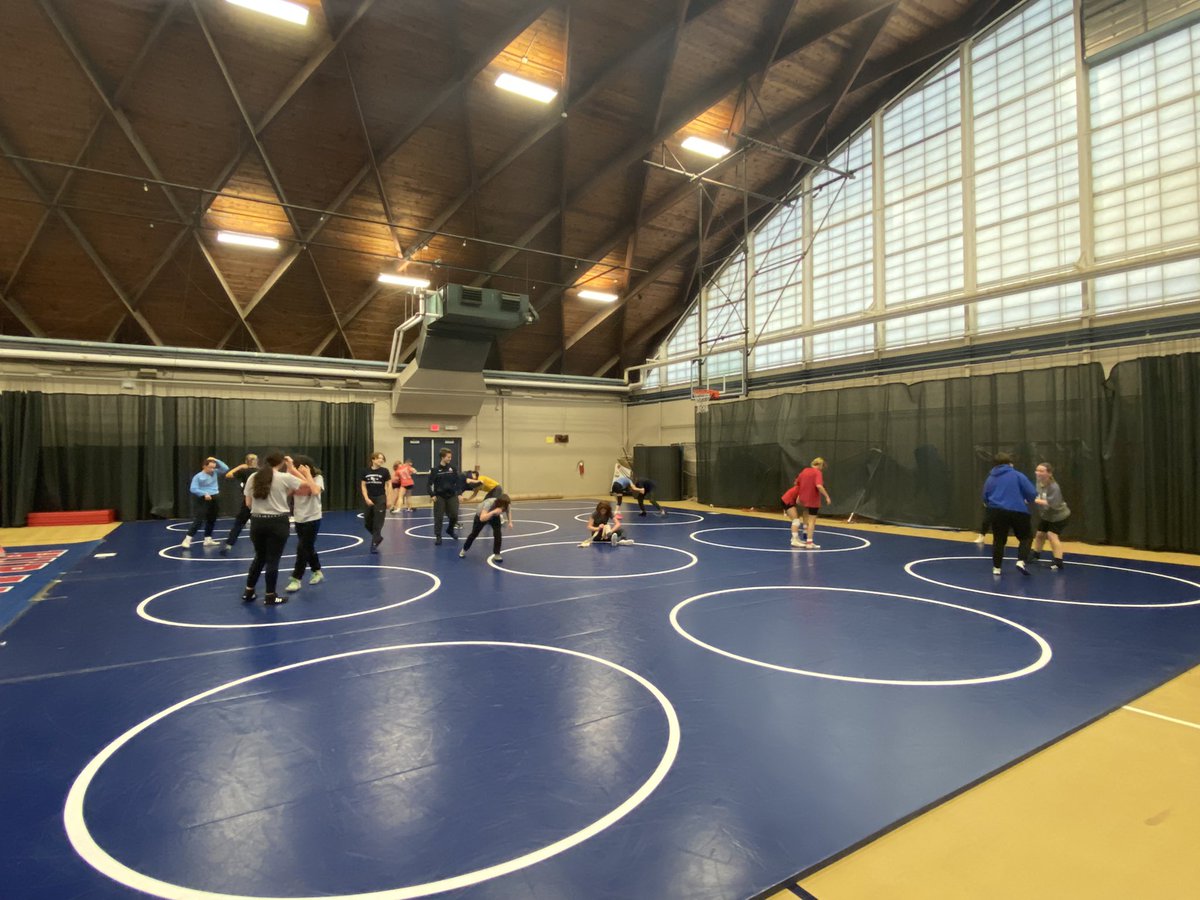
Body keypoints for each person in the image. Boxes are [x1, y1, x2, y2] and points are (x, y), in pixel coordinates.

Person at [242, 453, 315, 605]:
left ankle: (249, 591)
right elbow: (307, 484)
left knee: (259, 557)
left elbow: (248, 503)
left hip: (257, 521)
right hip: (277, 522)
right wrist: (292, 468)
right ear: (281, 463)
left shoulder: (253, 477)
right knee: (272, 560)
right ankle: (270, 595)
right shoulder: (283, 477)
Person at [982, 452, 1037, 576]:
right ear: (1009, 463)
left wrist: (991, 505)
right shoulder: (1017, 475)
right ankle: (1021, 561)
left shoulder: (991, 477)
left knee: (999, 540)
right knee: (1026, 537)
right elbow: (1031, 492)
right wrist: (1028, 499)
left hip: (996, 511)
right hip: (1017, 510)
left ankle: (996, 568)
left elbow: (985, 496)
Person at [286, 455, 325, 592]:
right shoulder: (294, 479)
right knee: (308, 547)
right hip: (299, 518)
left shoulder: (317, 478)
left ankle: (296, 579)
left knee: (302, 548)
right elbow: (287, 492)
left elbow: (314, 490)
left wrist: (307, 474)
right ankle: (317, 570)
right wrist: (291, 473)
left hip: (313, 518)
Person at [183, 456, 229, 548]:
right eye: (210, 467)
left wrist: (216, 460)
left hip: (215, 497)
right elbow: (193, 488)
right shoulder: (198, 476)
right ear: (204, 466)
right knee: (199, 520)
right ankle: (187, 539)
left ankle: (208, 539)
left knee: (212, 519)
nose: (212, 469)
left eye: (213, 467)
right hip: (204, 499)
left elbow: (226, 468)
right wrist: (204, 493)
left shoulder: (215, 472)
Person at [1031, 462, 1070, 569]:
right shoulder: (1038, 482)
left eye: (1041, 471)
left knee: (1052, 535)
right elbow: (1036, 494)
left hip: (1059, 516)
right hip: (1046, 516)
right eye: (1037, 470)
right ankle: (1035, 555)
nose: (1038, 473)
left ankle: (1058, 561)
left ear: (1049, 473)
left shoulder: (1054, 487)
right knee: (1039, 535)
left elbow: (1054, 504)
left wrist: (1035, 500)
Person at [220, 453, 258, 553]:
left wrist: (240, 466)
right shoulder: (260, 471)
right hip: (260, 502)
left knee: (239, 524)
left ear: (246, 462)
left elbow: (228, 475)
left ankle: (229, 544)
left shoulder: (243, 471)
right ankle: (262, 545)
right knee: (259, 525)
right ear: (256, 461)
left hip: (247, 501)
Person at [458, 493, 513, 563]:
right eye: (502, 506)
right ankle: (464, 549)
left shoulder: (506, 505)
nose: (503, 508)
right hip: (481, 515)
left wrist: (510, 522)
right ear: (499, 503)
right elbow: (482, 518)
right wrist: (493, 512)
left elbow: (508, 511)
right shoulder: (489, 503)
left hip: (494, 516)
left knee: (498, 534)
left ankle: (497, 554)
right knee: (474, 534)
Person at [794, 457, 831, 549]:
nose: (822, 468)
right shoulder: (817, 472)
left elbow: (796, 483)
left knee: (805, 513)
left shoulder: (805, 470)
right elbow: (819, 486)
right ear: (820, 465)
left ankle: (805, 531)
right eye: (822, 466)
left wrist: (799, 495)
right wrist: (827, 496)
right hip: (813, 500)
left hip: (803, 499)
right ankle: (809, 542)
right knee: (812, 521)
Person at [360, 451, 391, 553]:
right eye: (379, 458)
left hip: (380, 498)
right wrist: (366, 498)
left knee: (378, 522)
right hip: (369, 498)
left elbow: (389, 486)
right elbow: (363, 486)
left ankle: (374, 544)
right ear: (373, 459)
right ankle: (377, 537)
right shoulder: (365, 471)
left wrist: (388, 499)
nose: (381, 460)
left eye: (382, 458)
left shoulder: (385, 471)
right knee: (367, 522)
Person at [429, 448, 461, 546]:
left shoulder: (452, 469)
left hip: (452, 496)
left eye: (450, 457)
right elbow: (428, 484)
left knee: (454, 515)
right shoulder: (435, 470)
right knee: (439, 517)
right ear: (443, 457)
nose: (450, 459)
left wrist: (459, 493)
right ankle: (438, 536)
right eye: (448, 457)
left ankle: (450, 530)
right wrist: (432, 494)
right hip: (440, 496)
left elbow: (458, 482)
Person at [782, 484, 803, 548]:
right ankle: (794, 540)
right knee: (796, 521)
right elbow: (798, 501)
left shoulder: (802, 486)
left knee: (796, 520)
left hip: (787, 500)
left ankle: (795, 538)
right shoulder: (804, 488)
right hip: (788, 501)